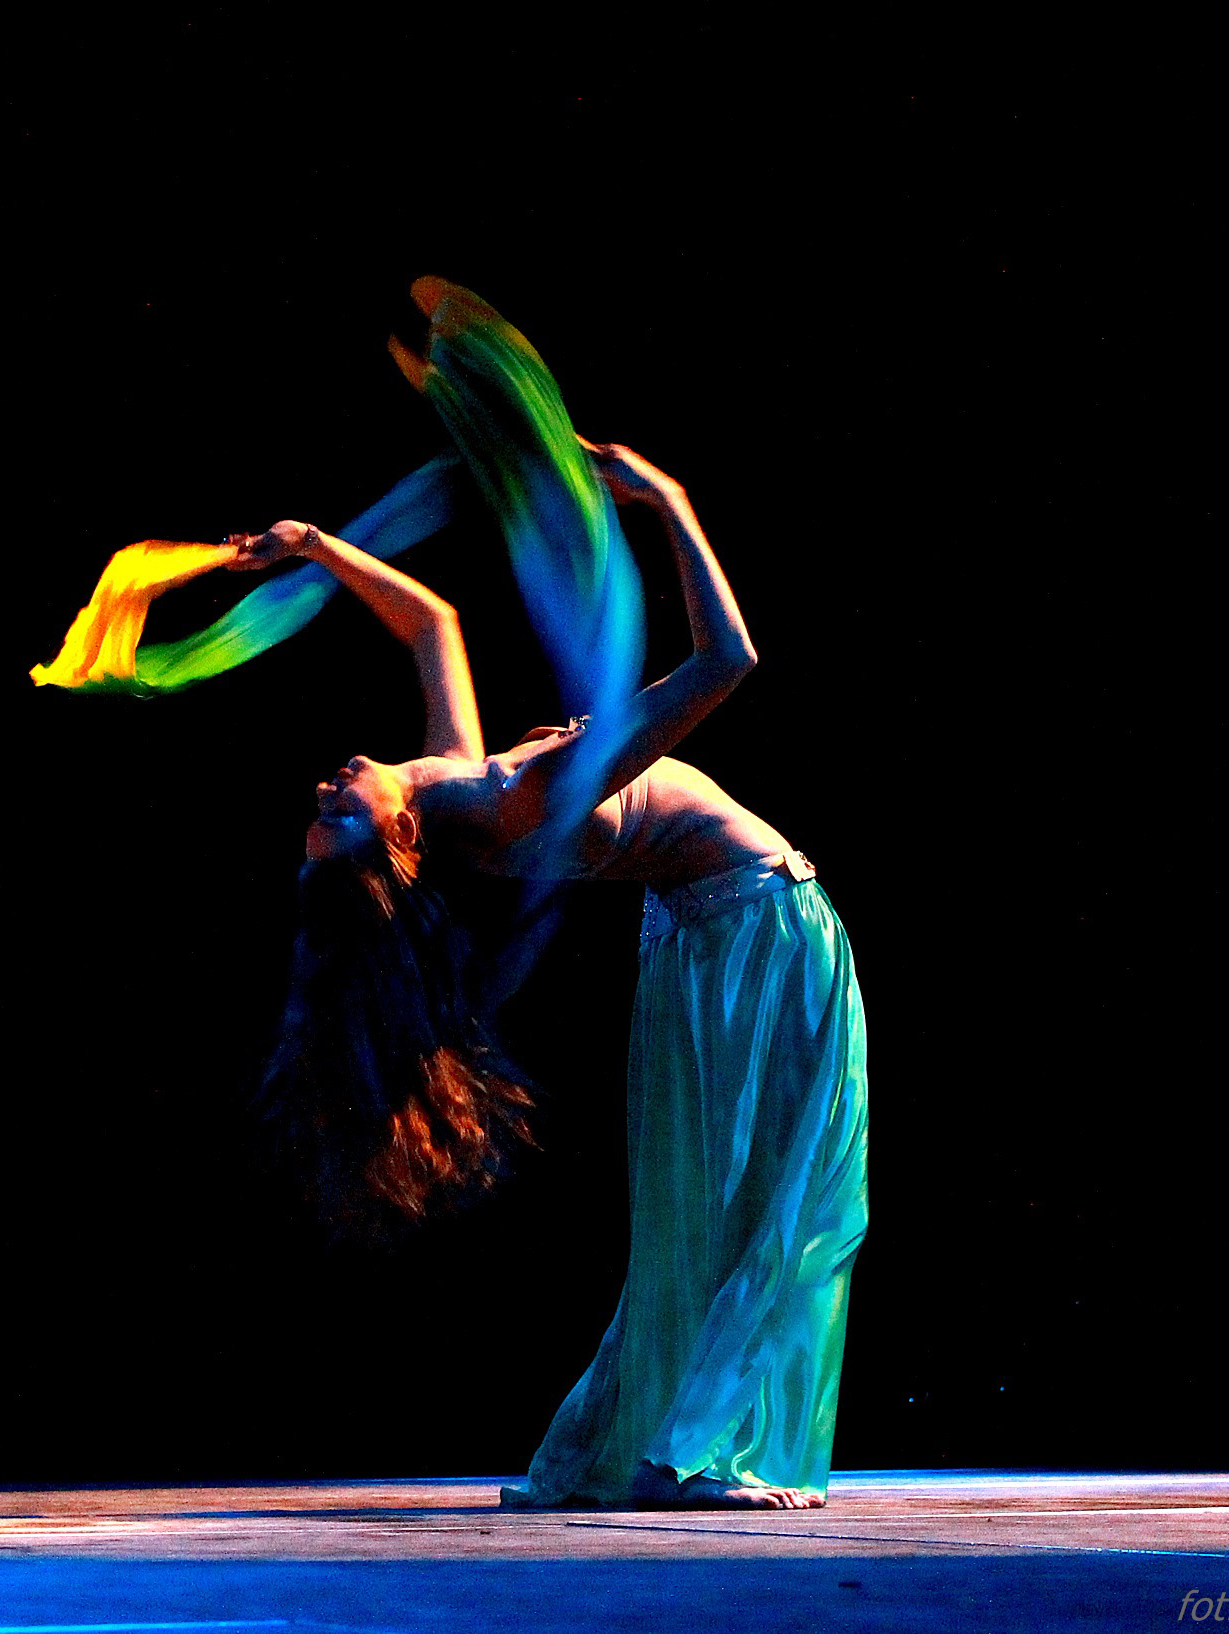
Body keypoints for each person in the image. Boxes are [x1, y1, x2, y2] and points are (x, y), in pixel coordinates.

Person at [237, 438, 869, 1511]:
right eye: (337, 819)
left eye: (320, 810)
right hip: (759, 929)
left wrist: (316, 547)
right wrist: (665, 499)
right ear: (396, 840)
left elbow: (432, 623)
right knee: (795, 1195)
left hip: (700, 941)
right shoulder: (514, 799)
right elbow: (727, 662)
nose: (325, 789)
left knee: (727, 1204)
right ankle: (697, 1452)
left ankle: (670, 1446)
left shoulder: (455, 787)